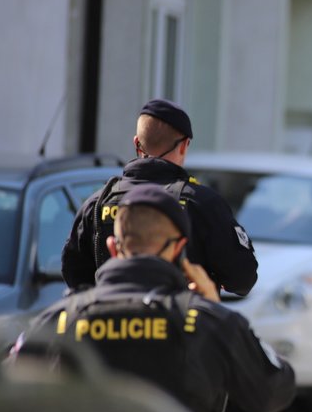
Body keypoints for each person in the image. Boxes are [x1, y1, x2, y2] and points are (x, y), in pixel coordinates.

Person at [11, 184, 295, 412]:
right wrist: (215, 308)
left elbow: (10, 399)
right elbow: (274, 389)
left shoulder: (59, 320)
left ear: (112, 246)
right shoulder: (209, 323)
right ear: (179, 250)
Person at [61, 98, 258, 296]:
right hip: (183, 325)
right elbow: (243, 279)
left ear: (137, 143)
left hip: (110, 322)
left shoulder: (97, 203)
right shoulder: (203, 203)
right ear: (183, 146)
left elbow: (76, 278)